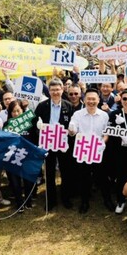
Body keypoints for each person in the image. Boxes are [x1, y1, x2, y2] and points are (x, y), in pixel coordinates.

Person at [32, 78, 75, 211]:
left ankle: (66, 198)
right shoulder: (42, 106)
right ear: (49, 91)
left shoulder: (69, 106)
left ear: (62, 90)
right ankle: (50, 200)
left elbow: (73, 126)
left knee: (66, 171)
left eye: (58, 89)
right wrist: (39, 127)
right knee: (49, 172)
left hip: (63, 143)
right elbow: (34, 123)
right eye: (53, 90)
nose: (55, 92)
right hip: (48, 142)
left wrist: (72, 131)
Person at [68, 88, 109, 214]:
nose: (91, 101)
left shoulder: (104, 115)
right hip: (83, 150)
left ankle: (107, 200)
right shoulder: (77, 114)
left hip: (98, 150)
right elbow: (73, 130)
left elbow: (106, 133)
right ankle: (84, 202)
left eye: (94, 99)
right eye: (89, 99)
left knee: (102, 177)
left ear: (98, 100)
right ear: (84, 100)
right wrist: (71, 130)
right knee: (84, 177)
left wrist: (102, 142)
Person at [4, 100, 35, 212]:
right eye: (13, 111)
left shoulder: (30, 123)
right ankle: (19, 203)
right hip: (13, 156)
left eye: (18, 111)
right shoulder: (7, 124)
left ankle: (28, 201)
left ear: (23, 110)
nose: (16, 113)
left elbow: (34, 139)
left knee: (28, 181)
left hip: (27, 156)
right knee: (15, 181)